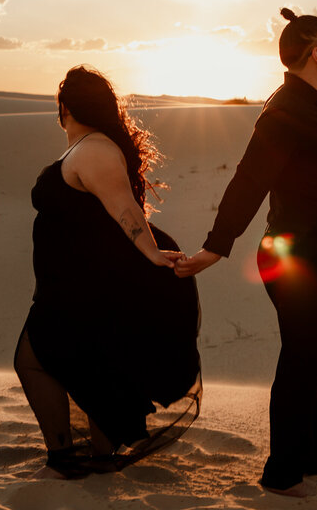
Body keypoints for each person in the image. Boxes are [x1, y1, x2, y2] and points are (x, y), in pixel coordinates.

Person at [175, 8, 317, 496]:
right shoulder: (287, 111)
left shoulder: (314, 102)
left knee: (310, 356)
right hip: (298, 256)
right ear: (316, 53)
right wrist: (214, 248)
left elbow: (309, 185)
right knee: (303, 359)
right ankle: (284, 471)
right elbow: (250, 181)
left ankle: (310, 457)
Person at [15, 66, 201, 479]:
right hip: (76, 284)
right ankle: (95, 458)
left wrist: (152, 253)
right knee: (94, 368)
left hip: (80, 289)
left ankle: (69, 458)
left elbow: (124, 209)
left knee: (33, 358)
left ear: (63, 107)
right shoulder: (88, 146)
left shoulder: (94, 149)